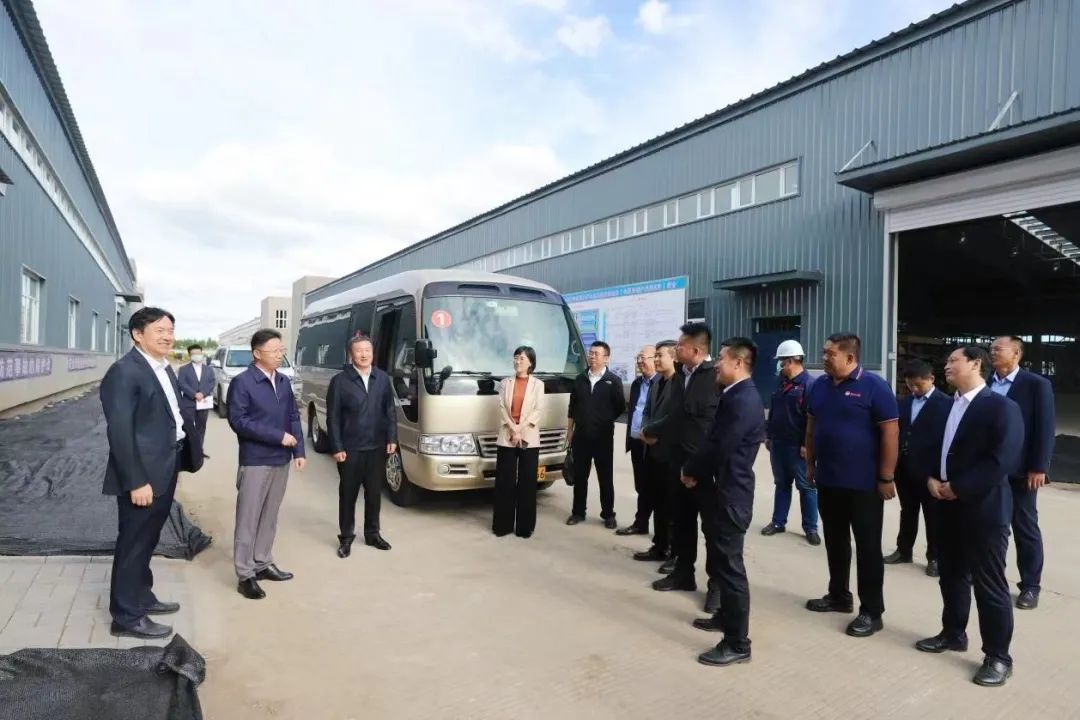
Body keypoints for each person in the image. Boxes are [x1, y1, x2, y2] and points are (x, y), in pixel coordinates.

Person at [917, 345, 1023, 688]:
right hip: (946, 507)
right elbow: (929, 448)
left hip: (984, 510)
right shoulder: (944, 406)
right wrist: (931, 478)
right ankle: (953, 633)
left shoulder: (1001, 407)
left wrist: (959, 487)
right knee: (951, 576)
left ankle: (998, 657)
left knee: (989, 584)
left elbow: (1002, 460)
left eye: (954, 360)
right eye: (946, 361)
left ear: (976, 364)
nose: (946, 365)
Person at [100, 307, 203, 640]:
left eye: (170, 330)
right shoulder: (124, 371)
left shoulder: (162, 367)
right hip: (142, 476)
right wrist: (136, 481)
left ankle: (142, 596)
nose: (168, 336)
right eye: (159, 330)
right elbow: (120, 431)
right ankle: (126, 617)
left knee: (148, 538)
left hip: (165, 466)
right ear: (137, 334)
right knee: (133, 543)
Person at [804, 332, 899, 638]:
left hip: (864, 485)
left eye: (830, 354)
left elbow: (890, 434)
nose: (824, 358)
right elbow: (812, 425)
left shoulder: (875, 387)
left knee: (868, 548)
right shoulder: (819, 385)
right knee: (835, 542)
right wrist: (810, 463)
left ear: (850, 357)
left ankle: (872, 611)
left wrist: (886, 477)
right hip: (829, 480)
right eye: (824, 352)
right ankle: (838, 595)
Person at [682, 337, 766, 667]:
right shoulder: (733, 394)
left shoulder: (744, 399)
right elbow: (713, 440)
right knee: (720, 561)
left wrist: (693, 470)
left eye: (721, 358)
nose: (716, 363)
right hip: (720, 492)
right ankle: (724, 619)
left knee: (731, 570)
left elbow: (720, 447)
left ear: (738, 363)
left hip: (732, 495)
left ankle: (737, 643)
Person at [227, 329, 305, 600]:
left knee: (270, 515)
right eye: (274, 350)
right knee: (248, 518)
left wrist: (299, 450)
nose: (280, 354)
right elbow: (239, 421)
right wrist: (278, 436)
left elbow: (293, 416)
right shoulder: (243, 383)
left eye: (281, 349)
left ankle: (262, 562)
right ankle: (245, 574)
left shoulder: (283, 381)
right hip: (256, 460)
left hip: (281, 459)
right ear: (257, 353)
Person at [653, 322, 724, 616]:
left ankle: (717, 587)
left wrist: (697, 468)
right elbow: (676, 416)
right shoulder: (681, 376)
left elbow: (712, 430)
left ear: (696, 350)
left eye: (680, 346)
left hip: (705, 470)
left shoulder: (715, 377)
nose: (676, 349)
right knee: (682, 522)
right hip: (679, 464)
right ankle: (683, 573)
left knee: (713, 529)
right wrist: (652, 430)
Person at [988, 336, 1055, 610]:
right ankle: (993, 578)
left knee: (1024, 526)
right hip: (990, 468)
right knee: (993, 526)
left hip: (1021, 470)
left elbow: (1045, 427)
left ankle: (1030, 586)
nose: (992, 352)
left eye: (998, 349)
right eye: (991, 349)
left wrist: (1039, 466)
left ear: (1016, 353)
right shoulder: (987, 382)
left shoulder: (1036, 384)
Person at [326, 334, 398, 557]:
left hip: (376, 447)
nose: (364, 354)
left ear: (372, 352)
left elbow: (390, 411)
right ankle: (346, 537)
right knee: (348, 495)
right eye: (359, 351)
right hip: (350, 449)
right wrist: (337, 447)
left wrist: (392, 438)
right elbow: (333, 417)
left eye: (367, 350)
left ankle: (372, 534)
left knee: (374, 494)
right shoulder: (340, 381)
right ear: (351, 354)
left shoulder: (382, 378)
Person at [884, 359, 951, 577]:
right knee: (908, 511)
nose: (914, 389)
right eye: (910, 385)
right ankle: (904, 550)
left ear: (931, 379)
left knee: (933, 516)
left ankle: (935, 557)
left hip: (931, 472)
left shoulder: (946, 404)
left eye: (918, 385)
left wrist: (938, 473)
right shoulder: (904, 402)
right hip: (905, 469)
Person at [760, 340, 819, 545]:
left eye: (782, 362)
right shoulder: (782, 383)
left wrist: (806, 445)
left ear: (792, 361)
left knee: (806, 487)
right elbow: (774, 411)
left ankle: (811, 528)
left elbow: (813, 419)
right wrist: (768, 435)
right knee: (782, 484)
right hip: (779, 444)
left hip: (798, 447)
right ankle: (778, 522)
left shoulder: (810, 385)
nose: (780, 365)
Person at [566, 340, 626, 528]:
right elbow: (572, 406)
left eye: (596, 354)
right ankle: (578, 512)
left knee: (605, 477)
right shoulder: (580, 379)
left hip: (603, 438)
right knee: (580, 476)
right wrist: (570, 430)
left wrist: (604, 419)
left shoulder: (613, 381)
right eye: (590, 353)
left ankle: (608, 514)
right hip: (581, 436)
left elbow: (619, 407)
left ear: (606, 358)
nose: (592, 356)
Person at [492, 346, 545, 538]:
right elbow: (501, 407)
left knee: (527, 483)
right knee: (504, 482)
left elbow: (538, 410)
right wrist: (513, 428)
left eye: (522, 358)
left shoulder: (538, 384)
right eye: (516, 358)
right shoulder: (505, 383)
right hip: (507, 435)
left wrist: (520, 429)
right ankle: (502, 526)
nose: (518, 361)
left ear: (531, 362)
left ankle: (525, 527)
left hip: (528, 437)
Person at [637, 340, 682, 563]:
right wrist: (646, 430)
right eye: (654, 355)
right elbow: (647, 411)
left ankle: (674, 552)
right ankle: (659, 546)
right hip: (652, 450)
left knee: (672, 505)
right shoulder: (657, 383)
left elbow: (674, 417)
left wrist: (653, 432)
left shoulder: (680, 384)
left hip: (670, 453)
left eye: (660, 355)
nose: (655, 359)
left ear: (674, 357)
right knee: (656, 501)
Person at [617, 345, 658, 537]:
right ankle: (641, 523)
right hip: (636, 442)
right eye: (638, 358)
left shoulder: (662, 384)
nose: (640, 362)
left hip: (653, 444)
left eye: (644, 358)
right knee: (641, 485)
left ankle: (663, 534)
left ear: (655, 359)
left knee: (655, 487)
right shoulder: (636, 384)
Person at [177, 343, 216, 455]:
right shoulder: (183, 369)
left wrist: (203, 393)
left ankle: (199, 451)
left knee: (201, 427)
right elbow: (181, 383)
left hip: (204, 402)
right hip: (189, 402)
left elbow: (211, 383)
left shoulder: (209, 370)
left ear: (202, 353)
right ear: (190, 355)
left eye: (198, 353)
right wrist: (194, 394)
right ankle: (187, 452)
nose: (197, 355)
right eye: (193, 354)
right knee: (187, 427)